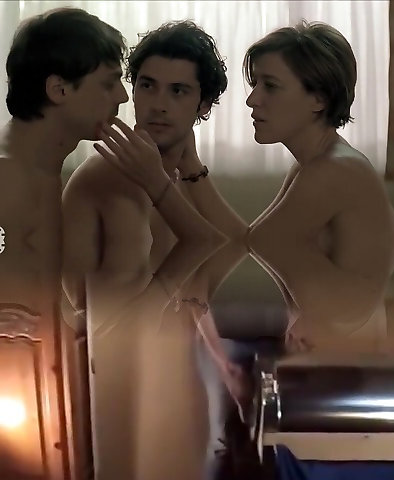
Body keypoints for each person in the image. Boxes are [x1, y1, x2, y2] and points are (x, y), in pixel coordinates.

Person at [62, 20, 249, 480]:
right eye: (148, 86)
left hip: (181, 369)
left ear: (202, 105)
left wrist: (220, 360)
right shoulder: (103, 179)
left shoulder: (182, 175)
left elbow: (233, 251)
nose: (159, 104)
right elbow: (89, 309)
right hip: (121, 375)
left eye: (178, 91)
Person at [0, 7, 129, 479]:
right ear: (59, 90)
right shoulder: (7, 179)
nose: (122, 97)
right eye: (109, 83)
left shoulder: (53, 176)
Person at [244, 20, 394, 351]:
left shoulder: (334, 169)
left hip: (348, 362)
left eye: (270, 86)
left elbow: (261, 241)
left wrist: (179, 177)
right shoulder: (314, 163)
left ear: (318, 98)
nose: (252, 99)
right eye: (255, 84)